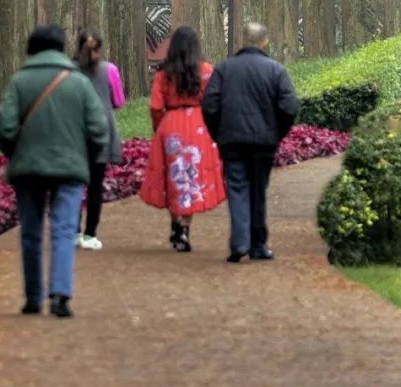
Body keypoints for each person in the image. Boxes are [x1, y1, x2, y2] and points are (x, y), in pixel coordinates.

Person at [0, 24, 109, 318]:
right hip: (70, 169)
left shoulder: (19, 81)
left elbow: (5, 127)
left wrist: (16, 152)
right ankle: (60, 294)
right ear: (61, 49)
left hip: (28, 168)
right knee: (63, 230)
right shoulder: (79, 83)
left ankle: (33, 298)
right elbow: (99, 129)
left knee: (31, 232)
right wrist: (86, 156)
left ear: (30, 49)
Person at [202, 21, 298, 263]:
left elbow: (209, 105)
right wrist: (276, 134)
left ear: (242, 41)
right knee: (258, 190)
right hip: (263, 142)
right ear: (264, 42)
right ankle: (257, 245)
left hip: (232, 141)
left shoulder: (224, 69)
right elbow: (289, 107)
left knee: (237, 188)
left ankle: (239, 242)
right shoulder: (276, 70)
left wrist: (219, 134)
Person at [139, 25, 225, 251]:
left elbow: (156, 106)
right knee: (192, 178)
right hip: (198, 126)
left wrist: (160, 128)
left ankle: (175, 224)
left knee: (173, 177)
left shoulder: (163, 74)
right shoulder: (206, 71)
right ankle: (185, 229)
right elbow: (214, 102)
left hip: (171, 127)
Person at [74, 27, 125, 250]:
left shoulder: (68, 71)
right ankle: (90, 235)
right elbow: (118, 101)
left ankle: (73, 232)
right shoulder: (109, 70)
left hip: (73, 134)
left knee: (73, 185)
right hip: (101, 135)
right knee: (95, 186)